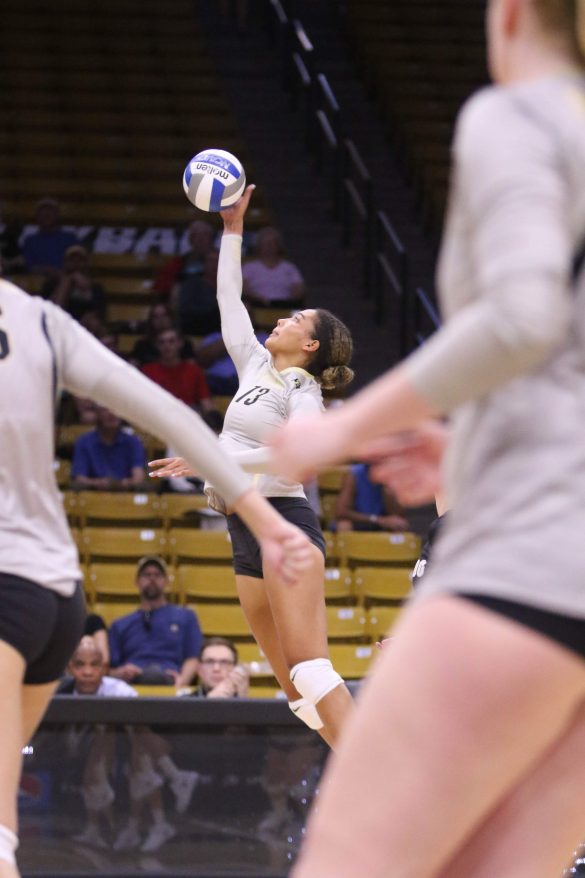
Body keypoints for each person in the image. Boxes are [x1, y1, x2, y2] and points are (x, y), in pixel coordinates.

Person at [271, 1, 585, 875]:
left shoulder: (516, 113)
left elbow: (522, 317)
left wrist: (343, 426)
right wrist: (478, 448)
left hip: (527, 570)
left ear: (510, 14)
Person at [0, 274, 312, 878]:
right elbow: (172, 413)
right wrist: (263, 521)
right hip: (56, 595)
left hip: (8, 583)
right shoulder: (41, 317)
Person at [149, 186, 356, 748]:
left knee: (310, 668)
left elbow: (297, 454)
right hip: (243, 526)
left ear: (310, 345)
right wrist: (233, 229)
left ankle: (387, 775)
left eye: (296, 318)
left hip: (284, 521)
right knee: (296, 693)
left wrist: (209, 458)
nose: (283, 318)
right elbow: (229, 298)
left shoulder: (303, 389)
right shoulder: (255, 366)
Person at [57, 637, 197, 853]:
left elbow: (141, 730)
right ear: (69, 668)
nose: (87, 672)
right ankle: (174, 780)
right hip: (73, 749)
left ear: (104, 668)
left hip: (119, 749)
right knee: (138, 758)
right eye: (80, 665)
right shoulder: (59, 691)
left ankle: (126, 827)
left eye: (94, 665)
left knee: (140, 757)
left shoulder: (120, 690)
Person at [108, 556, 202, 687]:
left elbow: (193, 657)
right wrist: (121, 673)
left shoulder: (186, 617)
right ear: (137, 582)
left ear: (166, 581)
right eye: (146, 575)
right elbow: (109, 669)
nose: (152, 579)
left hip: (171, 681)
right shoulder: (120, 625)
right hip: (131, 685)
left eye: (158, 575)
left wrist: (182, 682)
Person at [71, 405, 147, 490]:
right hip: (92, 493)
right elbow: (79, 479)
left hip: (126, 494)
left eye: (116, 409)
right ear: (97, 413)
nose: (111, 413)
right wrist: (99, 483)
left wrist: (119, 484)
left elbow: (138, 479)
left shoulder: (134, 442)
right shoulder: (84, 442)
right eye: (105, 409)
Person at [141, 327, 213, 412]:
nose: (166, 346)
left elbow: (206, 403)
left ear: (180, 343)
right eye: (161, 342)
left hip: (186, 416)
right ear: (157, 345)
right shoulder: (146, 371)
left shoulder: (194, 371)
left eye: (171, 341)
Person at [40, 245, 105, 326]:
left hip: (84, 327)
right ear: (65, 263)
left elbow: (99, 313)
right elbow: (51, 311)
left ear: (86, 263)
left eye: (80, 260)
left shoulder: (95, 287)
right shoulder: (51, 285)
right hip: (57, 325)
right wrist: (68, 280)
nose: (76, 264)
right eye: (72, 260)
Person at [334, 462, 408, 533]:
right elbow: (341, 512)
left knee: (399, 525)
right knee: (344, 525)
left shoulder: (393, 474)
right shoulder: (355, 474)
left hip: (382, 525)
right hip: (359, 521)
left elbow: (398, 515)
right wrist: (377, 520)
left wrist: (388, 490)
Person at [242, 226, 305, 307]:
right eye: (266, 244)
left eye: (272, 243)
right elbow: (243, 288)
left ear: (278, 246)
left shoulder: (290, 268)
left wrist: (291, 300)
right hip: (257, 306)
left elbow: (298, 289)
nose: (269, 247)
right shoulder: (249, 267)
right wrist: (257, 298)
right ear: (259, 246)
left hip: (284, 306)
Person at [152, 220, 216, 298]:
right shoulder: (180, 261)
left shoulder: (224, 259)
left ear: (212, 238)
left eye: (205, 234)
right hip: (189, 299)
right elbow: (161, 284)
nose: (201, 239)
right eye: (196, 235)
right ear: (191, 240)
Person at [21, 197, 78, 277]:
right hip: (37, 280)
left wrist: (60, 274)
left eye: (50, 210)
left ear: (57, 215)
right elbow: (28, 265)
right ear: (37, 216)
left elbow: (76, 263)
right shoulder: (30, 241)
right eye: (43, 211)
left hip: (65, 279)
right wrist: (46, 270)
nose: (47, 214)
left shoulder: (70, 238)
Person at [129, 303, 195, 368]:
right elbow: (132, 369)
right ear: (151, 320)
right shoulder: (141, 345)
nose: (161, 319)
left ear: (171, 318)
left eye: (164, 315)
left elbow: (191, 368)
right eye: (156, 316)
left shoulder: (185, 344)